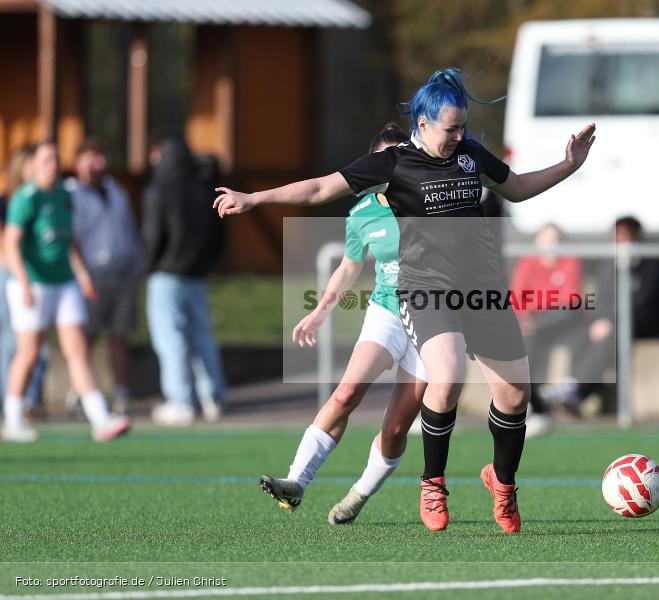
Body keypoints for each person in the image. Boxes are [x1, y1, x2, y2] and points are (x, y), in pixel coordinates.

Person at [215, 67, 595, 533]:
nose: (459, 136)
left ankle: (502, 482)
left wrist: (568, 165)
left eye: (462, 127)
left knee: (515, 394)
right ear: (422, 123)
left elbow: (515, 188)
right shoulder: (391, 163)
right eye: (450, 128)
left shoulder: (471, 154)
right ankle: (432, 483)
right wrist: (254, 198)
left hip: (481, 289)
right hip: (425, 288)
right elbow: (318, 188)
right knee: (448, 374)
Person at [260, 123, 428, 525]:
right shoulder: (363, 212)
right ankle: (296, 481)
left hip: (433, 317)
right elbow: (350, 266)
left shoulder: (432, 201)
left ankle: (359, 494)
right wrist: (320, 311)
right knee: (346, 392)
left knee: (394, 429)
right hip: (387, 310)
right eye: (388, 160)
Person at [2, 140, 130, 442]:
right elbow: (10, 244)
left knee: (78, 350)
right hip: (32, 282)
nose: (53, 165)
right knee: (29, 352)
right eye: (46, 160)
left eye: (56, 159)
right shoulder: (26, 198)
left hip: (64, 283)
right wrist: (23, 283)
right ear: (32, 165)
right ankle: (12, 418)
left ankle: (100, 419)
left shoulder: (63, 195)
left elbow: (69, 241)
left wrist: (83, 276)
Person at [544, 216, 659, 415]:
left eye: (625, 235)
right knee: (582, 334)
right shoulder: (608, 264)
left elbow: (644, 303)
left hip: (646, 323)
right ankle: (573, 386)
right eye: (617, 235)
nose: (621, 240)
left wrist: (610, 321)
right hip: (613, 323)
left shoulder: (652, 263)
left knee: (612, 334)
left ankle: (578, 388)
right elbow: (601, 299)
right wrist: (599, 320)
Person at [143, 134, 228, 426]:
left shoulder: (159, 190)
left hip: (166, 275)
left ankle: (181, 401)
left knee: (171, 339)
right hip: (198, 275)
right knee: (203, 337)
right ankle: (213, 396)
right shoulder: (205, 189)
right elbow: (219, 236)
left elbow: (153, 237)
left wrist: (148, 265)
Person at [67, 138, 143, 415]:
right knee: (85, 338)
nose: (95, 164)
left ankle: (121, 392)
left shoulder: (116, 190)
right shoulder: (71, 193)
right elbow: (70, 239)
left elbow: (129, 229)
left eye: (98, 157)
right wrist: (81, 274)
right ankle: (79, 392)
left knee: (119, 337)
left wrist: (137, 264)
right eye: (88, 158)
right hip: (90, 275)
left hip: (122, 272)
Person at [508, 223, 583, 438]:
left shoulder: (570, 262)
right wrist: (524, 321)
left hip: (561, 322)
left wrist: (537, 322)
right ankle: (532, 406)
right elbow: (517, 298)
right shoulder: (528, 262)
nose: (551, 245)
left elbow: (569, 302)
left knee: (533, 339)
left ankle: (537, 407)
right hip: (533, 323)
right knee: (524, 346)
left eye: (555, 240)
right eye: (546, 240)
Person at [0, 146, 48, 418]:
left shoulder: (41, 198)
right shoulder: (10, 199)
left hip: (39, 276)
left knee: (36, 345)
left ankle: (29, 399)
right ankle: (13, 402)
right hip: (12, 275)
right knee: (15, 342)